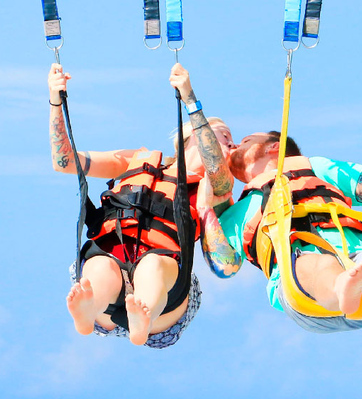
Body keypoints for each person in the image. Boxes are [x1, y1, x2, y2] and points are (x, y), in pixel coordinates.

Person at [202, 88, 362, 342]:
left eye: (245, 141)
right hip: (304, 294)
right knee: (315, 263)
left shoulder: (315, 168)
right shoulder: (236, 213)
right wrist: (205, 208)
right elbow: (224, 265)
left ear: (274, 147)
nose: (236, 145)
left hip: (361, 272)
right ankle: (341, 288)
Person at [48, 62, 234, 348]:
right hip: (112, 260)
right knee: (99, 270)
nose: (232, 146)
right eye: (227, 137)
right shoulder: (138, 159)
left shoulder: (217, 188)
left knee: (153, 267)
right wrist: (55, 100)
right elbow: (65, 162)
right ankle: (87, 313)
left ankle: (142, 317)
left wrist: (190, 98)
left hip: (164, 300)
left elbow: (216, 168)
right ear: (192, 135)